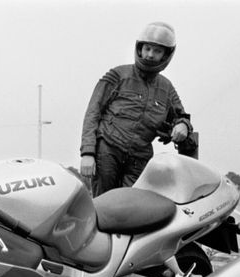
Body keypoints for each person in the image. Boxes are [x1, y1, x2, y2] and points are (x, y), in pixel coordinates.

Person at [80, 22, 193, 196]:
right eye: (147, 48)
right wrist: (87, 153)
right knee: (104, 205)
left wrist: (183, 125)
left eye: (157, 51)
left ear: (165, 55)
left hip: (139, 158)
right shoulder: (117, 76)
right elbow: (93, 113)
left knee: (133, 209)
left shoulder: (166, 88)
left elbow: (181, 116)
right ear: (139, 49)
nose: (150, 55)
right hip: (108, 151)